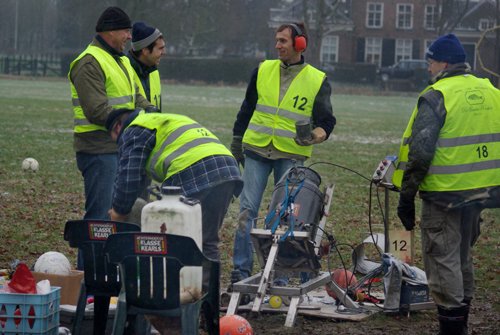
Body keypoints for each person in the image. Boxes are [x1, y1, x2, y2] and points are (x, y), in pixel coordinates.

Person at [394, 34, 500, 334]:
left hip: (444, 195)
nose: (429, 69)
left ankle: (451, 328)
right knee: (462, 258)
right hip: (482, 193)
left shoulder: (437, 95)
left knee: (442, 260)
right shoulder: (491, 90)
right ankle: (462, 324)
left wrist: (406, 197)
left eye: (431, 62)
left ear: (444, 63)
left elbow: (421, 153)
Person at [230, 22, 336, 283]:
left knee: (283, 218)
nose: (277, 45)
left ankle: (279, 277)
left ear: (299, 44)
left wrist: (315, 135)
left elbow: (327, 121)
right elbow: (246, 109)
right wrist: (236, 141)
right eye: (276, 40)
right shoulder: (263, 70)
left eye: (283, 41)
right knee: (247, 212)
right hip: (256, 150)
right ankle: (240, 272)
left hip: (289, 156)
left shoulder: (317, 80)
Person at [105, 108, 243, 289]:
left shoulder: (134, 129)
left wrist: (119, 211)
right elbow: (138, 180)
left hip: (192, 169)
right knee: (207, 240)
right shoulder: (162, 120)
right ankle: (207, 302)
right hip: (227, 168)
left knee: (173, 238)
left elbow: (128, 177)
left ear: (117, 128)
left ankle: (174, 296)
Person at [68, 6, 156, 269]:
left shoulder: (123, 61)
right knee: (99, 221)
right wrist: (137, 119)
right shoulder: (88, 62)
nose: (130, 37)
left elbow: (138, 97)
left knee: (127, 217)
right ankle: (89, 279)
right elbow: (97, 110)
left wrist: (153, 115)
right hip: (99, 152)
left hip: (125, 148)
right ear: (110, 32)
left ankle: (118, 276)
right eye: (126, 32)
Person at [128, 21, 165, 111]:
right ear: (145, 51)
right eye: (160, 48)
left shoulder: (154, 72)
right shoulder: (123, 72)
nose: (164, 53)